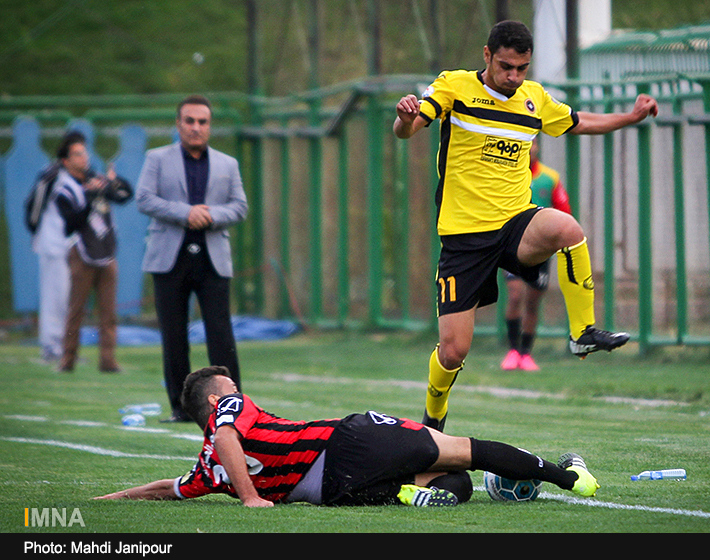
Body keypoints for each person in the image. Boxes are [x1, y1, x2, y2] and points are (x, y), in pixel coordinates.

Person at [393, 20, 658, 431]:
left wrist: (630, 116)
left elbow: (579, 122)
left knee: (567, 229)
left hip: (515, 221)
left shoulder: (533, 98)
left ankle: (582, 333)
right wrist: (403, 118)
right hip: (464, 237)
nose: (514, 77)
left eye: (522, 68)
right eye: (505, 67)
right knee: (453, 352)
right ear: (487, 56)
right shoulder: (454, 86)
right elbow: (407, 130)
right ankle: (433, 417)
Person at [94, 366, 599, 507]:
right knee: (467, 451)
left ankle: (403, 493)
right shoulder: (228, 410)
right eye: (230, 388)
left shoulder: (205, 471)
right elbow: (227, 436)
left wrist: (111, 499)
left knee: (456, 484)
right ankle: (569, 477)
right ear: (213, 399)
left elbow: (166, 488)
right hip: (347, 441)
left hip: (335, 491)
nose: (238, 392)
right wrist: (249, 498)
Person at [136, 94, 248, 422]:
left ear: (209, 126)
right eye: (189, 121)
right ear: (178, 124)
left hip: (213, 258)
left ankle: (233, 405)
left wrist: (210, 215)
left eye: (202, 122)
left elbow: (240, 206)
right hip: (169, 259)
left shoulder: (227, 164)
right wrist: (185, 213)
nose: (196, 127)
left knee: (221, 335)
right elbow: (144, 198)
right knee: (174, 335)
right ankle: (181, 408)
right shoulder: (157, 158)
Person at [54, 133, 132, 373]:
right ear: (66, 161)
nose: (84, 158)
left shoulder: (96, 180)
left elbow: (125, 195)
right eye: (77, 154)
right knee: (76, 310)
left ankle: (108, 361)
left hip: (106, 252)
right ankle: (67, 360)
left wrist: (114, 182)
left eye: (84, 152)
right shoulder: (64, 189)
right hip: (81, 254)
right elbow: (70, 224)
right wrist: (90, 197)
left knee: (108, 312)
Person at [501, 137, 571, 372]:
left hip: (540, 251)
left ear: (537, 147)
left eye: (533, 143)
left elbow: (564, 211)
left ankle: (525, 353)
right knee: (515, 295)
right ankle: (512, 350)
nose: (530, 148)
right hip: (513, 248)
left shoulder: (550, 178)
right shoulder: (508, 176)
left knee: (532, 301)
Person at [29, 135, 74, 363]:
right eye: (78, 153)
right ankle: (50, 346)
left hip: (68, 246)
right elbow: (34, 205)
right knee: (53, 298)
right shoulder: (52, 175)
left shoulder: (76, 177)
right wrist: (37, 231)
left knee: (66, 298)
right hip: (52, 245)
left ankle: (64, 348)